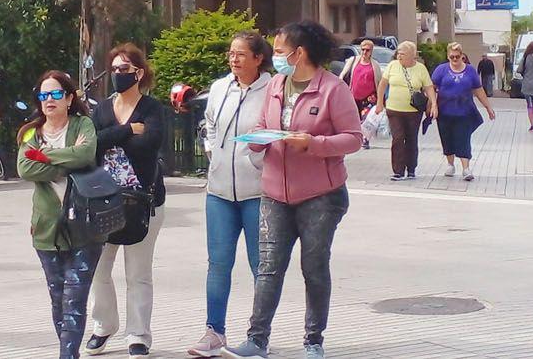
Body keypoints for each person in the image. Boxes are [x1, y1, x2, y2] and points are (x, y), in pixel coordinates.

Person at [225, 20, 363, 359]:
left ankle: (313, 341)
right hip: (274, 192)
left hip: (321, 195)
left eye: (281, 51)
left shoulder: (332, 89)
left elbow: (353, 138)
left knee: (314, 267)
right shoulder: (276, 84)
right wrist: (256, 141)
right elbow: (263, 125)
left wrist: (313, 143)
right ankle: (257, 340)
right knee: (269, 268)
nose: (276, 57)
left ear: (299, 53)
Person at [187, 31, 273, 358]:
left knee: (260, 265)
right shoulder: (221, 87)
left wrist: (258, 159)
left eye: (240, 54)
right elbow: (209, 124)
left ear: (258, 58)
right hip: (219, 192)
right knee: (218, 263)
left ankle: (258, 335)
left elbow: (274, 133)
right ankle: (214, 332)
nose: (233, 59)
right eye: (231, 53)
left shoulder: (272, 91)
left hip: (257, 192)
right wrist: (211, 151)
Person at [85, 44, 166, 358]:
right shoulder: (103, 108)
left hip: (144, 203)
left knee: (138, 272)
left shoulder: (151, 108)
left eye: (125, 69)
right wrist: (126, 130)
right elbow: (91, 144)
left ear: (139, 73)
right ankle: (103, 326)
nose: (119, 74)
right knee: (98, 269)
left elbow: (149, 145)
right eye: (115, 69)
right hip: (104, 201)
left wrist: (112, 137)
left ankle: (138, 336)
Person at [18, 71, 100, 359]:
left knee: (74, 299)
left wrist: (44, 157)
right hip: (46, 230)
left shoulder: (83, 125)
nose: (48, 100)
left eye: (55, 94)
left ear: (69, 98)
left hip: (85, 227)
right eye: (43, 95)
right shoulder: (32, 133)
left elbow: (86, 155)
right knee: (58, 299)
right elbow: (24, 169)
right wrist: (66, 161)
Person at [431, 42, 496, 182]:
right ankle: (450, 164)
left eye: (457, 57)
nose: (454, 60)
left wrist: (488, 108)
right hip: (444, 111)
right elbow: (431, 88)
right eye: (451, 57)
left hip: (464, 111)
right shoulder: (441, 70)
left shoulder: (470, 71)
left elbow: (478, 90)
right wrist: (433, 105)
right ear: (448, 56)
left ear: (462, 56)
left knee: (463, 138)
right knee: (447, 138)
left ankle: (466, 168)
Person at [377, 41, 437, 181]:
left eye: (402, 54)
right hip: (394, 109)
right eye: (398, 53)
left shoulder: (420, 69)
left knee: (411, 139)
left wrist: (434, 104)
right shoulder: (392, 66)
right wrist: (380, 102)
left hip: (413, 112)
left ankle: (411, 169)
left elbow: (429, 88)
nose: (398, 56)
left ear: (411, 55)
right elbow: (382, 84)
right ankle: (398, 170)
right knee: (397, 139)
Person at [338, 40, 379, 149]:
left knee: (366, 120)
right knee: (353, 119)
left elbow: (379, 83)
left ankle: (365, 139)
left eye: (367, 50)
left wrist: (380, 100)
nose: (365, 52)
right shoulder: (353, 61)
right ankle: (354, 139)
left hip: (369, 98)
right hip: (352, 96)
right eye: (363, 49)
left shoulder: (375, 65)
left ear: (371, 51)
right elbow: (343, 76)